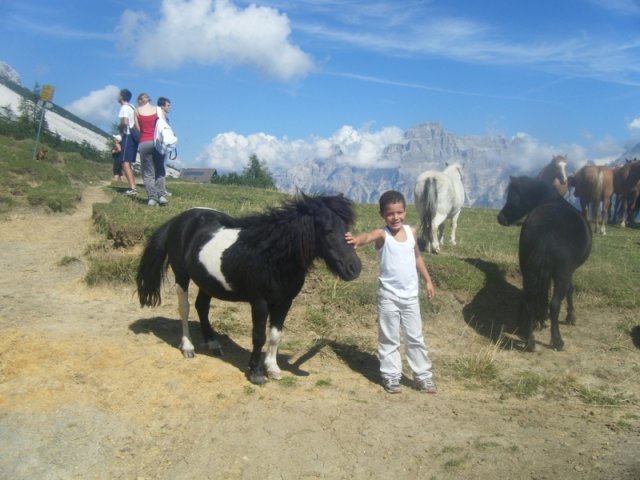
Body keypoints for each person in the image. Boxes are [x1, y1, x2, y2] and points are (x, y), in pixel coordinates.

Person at [345, 190, 437, 394]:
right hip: (388, 296)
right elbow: (367, 236)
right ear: (382, 215)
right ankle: (391, 376)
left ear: (405, 211)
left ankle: (423, 376)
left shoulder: (412, 232)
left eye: (400, 212)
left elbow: (417, 258)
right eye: (390, 214)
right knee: (389, 337)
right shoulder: (382, 235)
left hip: (411, 296)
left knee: (415, 337)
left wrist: (428, 281)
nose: (396, 217)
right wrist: (355, 240)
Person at [136, 92, 167, 206]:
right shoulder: (159, 110)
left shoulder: (137, 111)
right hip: (158, 143)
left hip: (145, 142)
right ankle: (162, 195)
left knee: (148, 172)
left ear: (140, 100)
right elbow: (164, 126)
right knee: (160, 170)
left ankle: (152, 198)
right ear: (150, 100)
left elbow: (138, 128)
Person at [117, 88, 139, 195]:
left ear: (121, 96)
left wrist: (119, 127)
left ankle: (132, 188)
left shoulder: (125, 107)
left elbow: (125, 122)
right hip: (135, 137)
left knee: (125, 162)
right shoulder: (133, 107)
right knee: (128, 163)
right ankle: (133, 186)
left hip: (128, 136)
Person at [156, 96, 172, 197]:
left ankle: (161, 189)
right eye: (168, 105)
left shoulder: (166, 118)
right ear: (162, 106)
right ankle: (160, 190)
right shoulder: (159, 118)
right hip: (160, 145)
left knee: (162, 168)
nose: (169, 107)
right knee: (160, 168)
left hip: (164, 145)